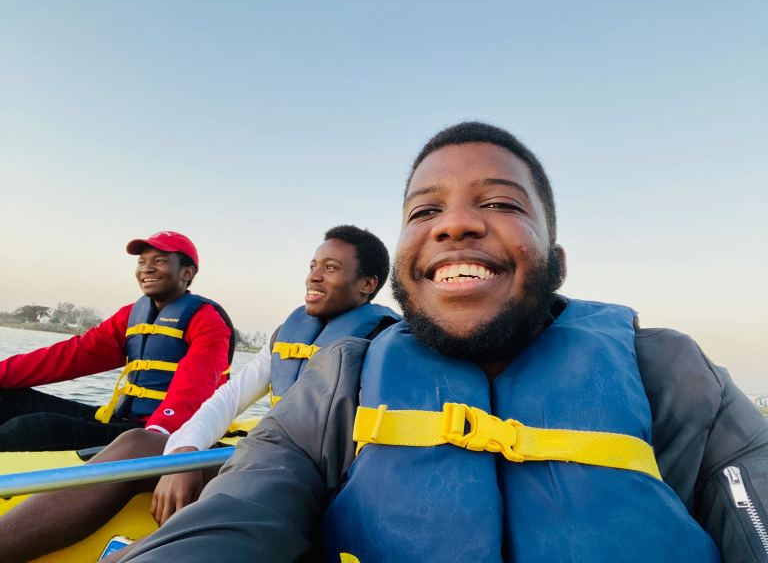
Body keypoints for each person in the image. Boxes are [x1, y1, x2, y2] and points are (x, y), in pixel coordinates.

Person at [116, 123, 768, 563]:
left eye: (504, 204)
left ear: (556, 262)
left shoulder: (672, 374)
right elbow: (230, 516)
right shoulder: (341, 381)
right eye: (424, 211)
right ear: (403, 265)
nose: (454, 222)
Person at [0, 225, 399, 563]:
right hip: (265, 460)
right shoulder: (286, 332)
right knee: (139, 441)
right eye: (313, 266)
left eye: (330, 268)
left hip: (313, 481)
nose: (313, 276)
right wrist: (185, 454)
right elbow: (229, 397)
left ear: (367, 284)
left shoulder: (385, 342)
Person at [0, 230, 234, 451]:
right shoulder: (131, 315)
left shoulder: (207, 320)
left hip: (167, 433)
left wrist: (154, 435)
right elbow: (72, 355)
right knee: (6, 399)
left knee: (33, 429)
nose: (147, 269)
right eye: (142, 262)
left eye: (160, 261)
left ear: (187, 272)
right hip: (125, 422)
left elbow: (197, 384)